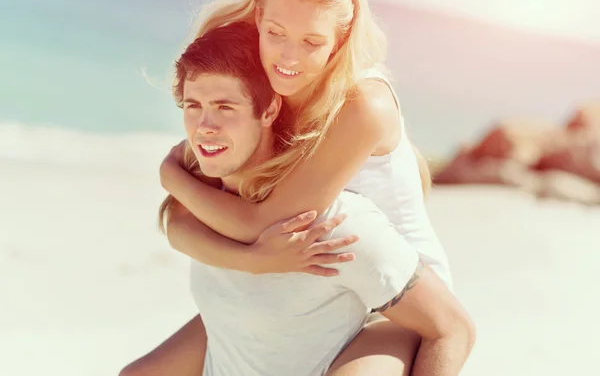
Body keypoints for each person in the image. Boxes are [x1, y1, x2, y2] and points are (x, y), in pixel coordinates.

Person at [120, 22, 475, 376]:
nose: (204, 125)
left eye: (225, 107)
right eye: (192, 105)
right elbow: (176, 225)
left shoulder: (334, 226)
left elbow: (453, 328)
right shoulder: (204, 200)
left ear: (270, 111)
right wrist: (252, 259)